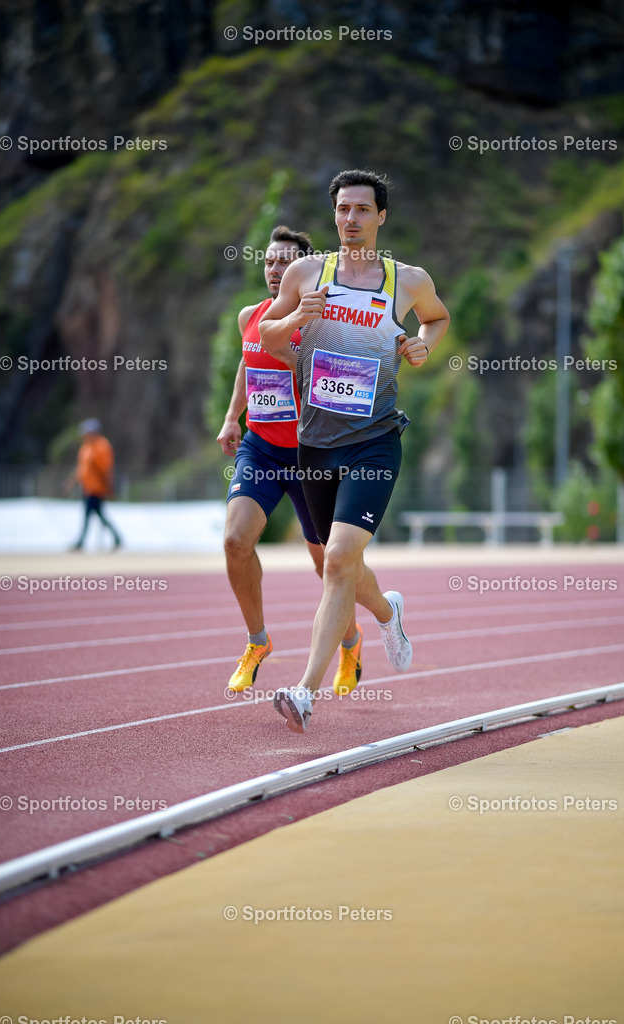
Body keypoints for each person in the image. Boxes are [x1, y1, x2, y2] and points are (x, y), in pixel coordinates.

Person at [259, 170, 450, 732]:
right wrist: (298, 316)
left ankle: (303, 691)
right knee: (340, 564)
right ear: (334, 214)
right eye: (342, 209)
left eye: (362, 209)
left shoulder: (406, 280)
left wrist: (423, 345)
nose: (351, 219)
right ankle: (388, 613)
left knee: (338, 560)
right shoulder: (305, 273)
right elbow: (267, 338)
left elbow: (437, 318)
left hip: (375, 439)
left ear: (381, 217)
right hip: (314, 443)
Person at [218, 226, 362, 695]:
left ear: (304, 269)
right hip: (260, 448)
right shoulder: (251, 316)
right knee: (236, 541)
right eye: (269, 262)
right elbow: (246, 361)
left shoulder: (322, 324)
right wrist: (232, 417)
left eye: (285, 263)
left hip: (310, 453)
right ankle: (257, 643)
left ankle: (351, 642)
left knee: (328, 565)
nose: (276, 270)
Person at [65, 419, 122, 551]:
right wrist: (72, 482)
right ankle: (117, 538)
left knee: (89, 515)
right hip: (87, 487)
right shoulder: (85, 448)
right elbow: (82, 469)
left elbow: (107, 469)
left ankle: (80, 542)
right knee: (98, 515)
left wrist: (110, 487)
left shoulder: (102, 446)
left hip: (98, 488)